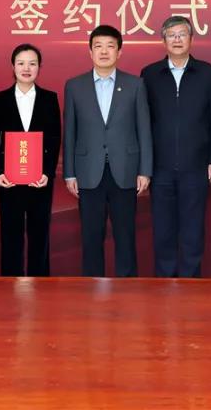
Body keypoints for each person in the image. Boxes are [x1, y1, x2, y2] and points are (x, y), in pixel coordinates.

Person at [63, 25, 152, 277]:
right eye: (98, 46)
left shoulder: (135, 85)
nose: (104, 51)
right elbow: (70, 132)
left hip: (125, 171)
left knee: (125, 236)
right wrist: (69, 173)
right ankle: (92, 287)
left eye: (110, 46)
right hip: (88, 172)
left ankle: (127, 288)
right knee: (91, 237)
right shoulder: (75, 86)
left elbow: (144, 129)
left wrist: (145, 170)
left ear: (119, 52)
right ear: (90, 52)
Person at [140, 16, 211, 278]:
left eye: (182, 34)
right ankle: (164, 284)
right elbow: (143, 123)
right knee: (163, 230)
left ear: (191, 39)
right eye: (171, 35)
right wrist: (144, 166)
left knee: (193, 230)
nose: (177, 40)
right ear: (163, 40)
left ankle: (190, 283)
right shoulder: (150, 74)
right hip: (160, 167)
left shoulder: (207, 73)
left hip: (196, 166)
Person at [0, 44, 62, 276]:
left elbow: (54, 139)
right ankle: (9, 284)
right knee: (11, 233)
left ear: (39, 67)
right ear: (13, 66)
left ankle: (40, 284)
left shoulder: (49, 98)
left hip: (40, 179)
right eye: (21, 63)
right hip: (8, 179)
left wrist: (47, 173)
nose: (26, 68)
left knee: (40, 233)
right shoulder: (0, 99)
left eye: (32, 63)